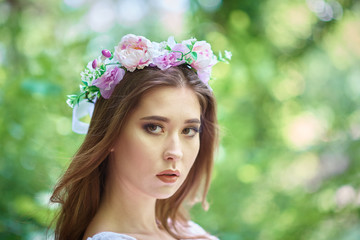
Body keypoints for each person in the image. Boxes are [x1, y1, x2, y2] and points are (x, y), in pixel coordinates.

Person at [50, 34, 231, 240]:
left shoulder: (187, 230)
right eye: (154, 127)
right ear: (111, 132)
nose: (175, 152)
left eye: (188, 130)